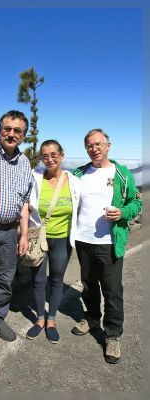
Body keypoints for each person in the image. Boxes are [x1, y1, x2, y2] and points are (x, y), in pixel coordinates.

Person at [71, 128, 142, 364]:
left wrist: (122, 212)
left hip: (109, 242)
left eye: (98, 144)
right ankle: (92, 318)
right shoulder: (79, 173)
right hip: (83, 241)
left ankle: (113, 334)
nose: (94, 149)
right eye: (90, 145)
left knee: (112, 290)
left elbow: (135, 203)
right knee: (89, 286)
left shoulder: (122, 173)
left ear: (108, 146)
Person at [0, 110, 32, 342]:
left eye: (17, 131)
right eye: (7, 129)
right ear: (0, 129)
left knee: (4, 277)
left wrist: (23, 234)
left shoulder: (24, 162)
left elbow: (24, 202)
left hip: (10, 230)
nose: (11, 134)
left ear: (23, 136)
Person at [25, 140, 79, 343]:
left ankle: (51, 321)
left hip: (62, 239)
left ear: (62, 155)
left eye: (54, 154)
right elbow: (25, 206)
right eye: (45, 156)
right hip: (38, 238)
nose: (50, 159)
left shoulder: (74, 181)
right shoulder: (35, 179)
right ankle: (40, 319)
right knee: (38, 280)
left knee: (56, 280)